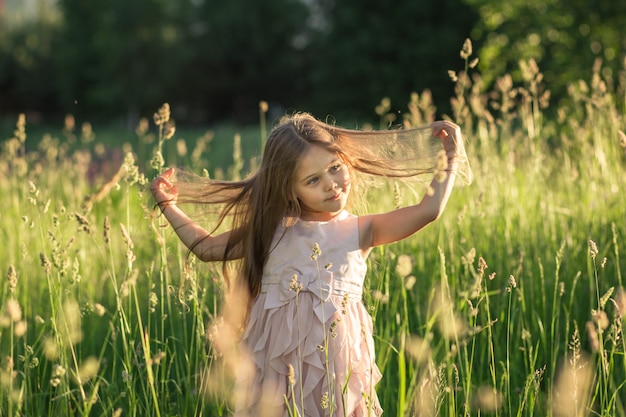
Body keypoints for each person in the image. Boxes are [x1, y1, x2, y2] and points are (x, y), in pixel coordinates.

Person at [150, 113, 470, 417]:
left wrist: (451, 157)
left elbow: (428, 210)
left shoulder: (361, 230)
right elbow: (207, 248)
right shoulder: (272, 231)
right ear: (291, 190)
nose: (331, 184)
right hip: (276, 372)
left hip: (336, 367)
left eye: (334, 168)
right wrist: (168, 205)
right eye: (313, 180)